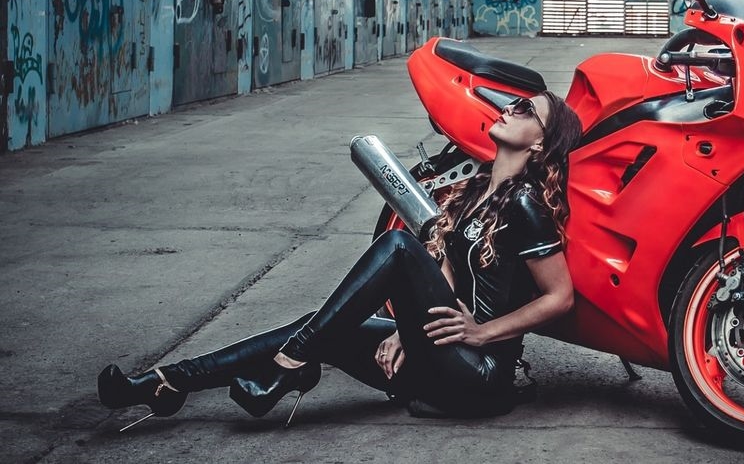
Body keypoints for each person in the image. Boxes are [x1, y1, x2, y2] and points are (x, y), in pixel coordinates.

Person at [98, 91, 583, 426]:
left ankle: (290, 364)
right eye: (514, 103)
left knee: (397, 248)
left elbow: (560, 298)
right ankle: (164, 383)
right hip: (438, 356)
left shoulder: (526, 204)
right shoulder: (477, 189)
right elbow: (442, 287)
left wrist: (481, 332)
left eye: (525, 111)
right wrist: (404, 332)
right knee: (320, 324)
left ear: (540, 141)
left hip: (479, 374)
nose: (510, 109)